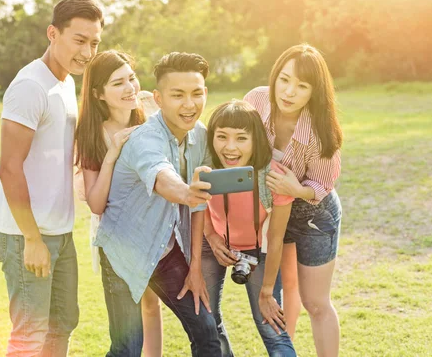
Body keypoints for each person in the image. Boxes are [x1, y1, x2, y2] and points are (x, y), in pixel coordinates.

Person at [0, 0, 103, 357]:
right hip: (27, 234)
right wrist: (32, 238)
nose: (87, 52)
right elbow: (9, 168)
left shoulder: (66, 82)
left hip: (59, 229)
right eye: (79, 40)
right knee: (30, 334)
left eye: (95, 43)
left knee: (63, 322)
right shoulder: (30, 87)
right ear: (53, 33)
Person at [94, 52, 222, 356]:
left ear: (205, 93)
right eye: (177, 95)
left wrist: (194, 268)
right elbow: (162, 175)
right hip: (123, 251)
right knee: (127, 348)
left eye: (196, 94)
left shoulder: (200, 135)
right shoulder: (145, 139)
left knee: (206, 331)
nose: (189, 105)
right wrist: (187, 193)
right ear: (158, 98)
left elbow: (198, 202)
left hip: (166, 252)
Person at [244, 44, 343, 357]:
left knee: (316, 301)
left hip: (313, 212)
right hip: (276, 211)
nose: (288, 92)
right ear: (275, 76)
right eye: (284, 80)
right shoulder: (255, 100)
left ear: (314, 92)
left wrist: (296, 188)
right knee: (286, 291)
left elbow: (323, 184)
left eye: (302, 86)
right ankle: (285, 352)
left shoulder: (321, 131)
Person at [74, 50, 163, 357]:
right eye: (118, 83)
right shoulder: (93, 136)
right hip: (119, 240)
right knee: (127, 340)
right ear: (98, 93)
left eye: (132, 78)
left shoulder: (150, 118)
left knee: (152, 304)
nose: (130, 88)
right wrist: (112, 153)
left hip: (155, 232)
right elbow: (97, 204)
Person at [201, 100, 297, 357]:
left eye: (241, 138)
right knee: (206, 321)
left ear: (256, 141)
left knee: (270, 327)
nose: (230, 147)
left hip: (260, 250)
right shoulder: (206, 169)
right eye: (221, 137)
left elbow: (276, 239)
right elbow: (198, 208)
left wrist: (267, 292)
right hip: (215, 243)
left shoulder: (273, 178)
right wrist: (210, 236)